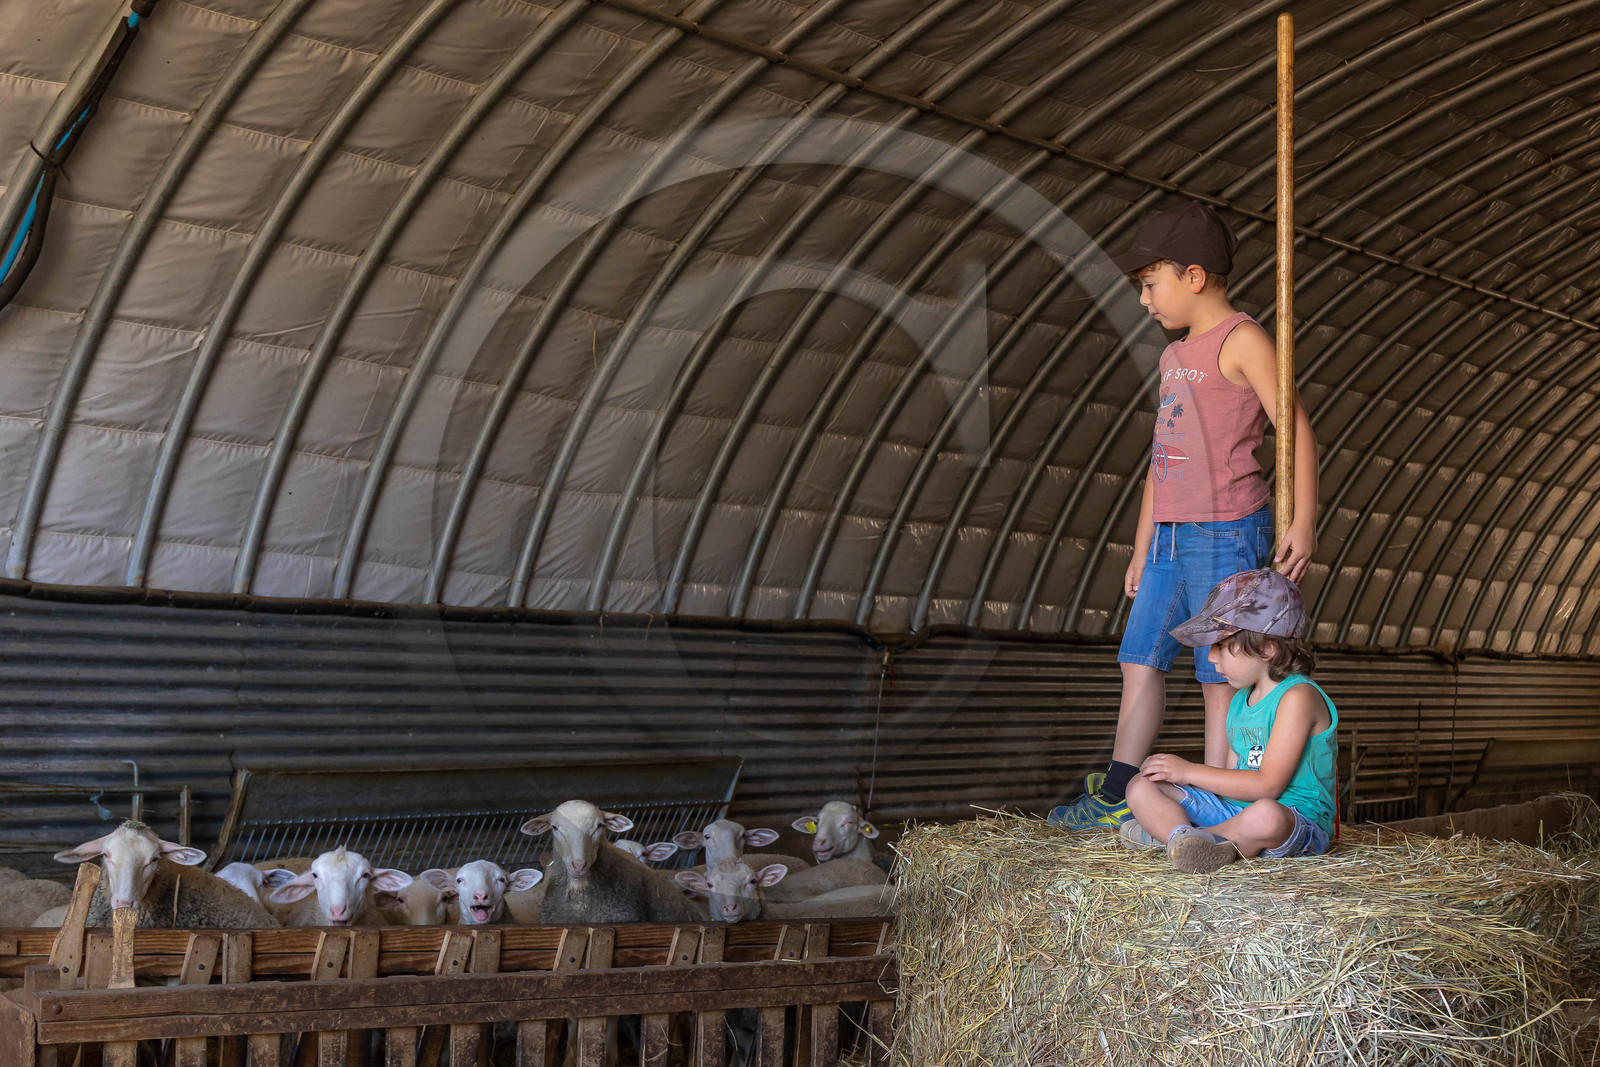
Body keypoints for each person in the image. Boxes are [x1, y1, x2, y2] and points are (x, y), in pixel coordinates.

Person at [1049, 199, 1320, 831]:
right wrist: (1142, 545)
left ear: (1193, 276)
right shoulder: (1171, 358)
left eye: (1151, 284)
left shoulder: (1242, 340)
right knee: (1138, 657)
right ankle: (1116, 790)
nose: (1144, 300)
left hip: (1226, 529)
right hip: (1168, 538)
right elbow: (1161, 459)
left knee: (1216, 670)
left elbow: (1296, 430)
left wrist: (1303, 518)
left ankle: (1218, 802)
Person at [1121, 568, 1337, 874]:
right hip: (1236, 813)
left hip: (1295, 822)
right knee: (1140, 785)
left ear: (1266, 648)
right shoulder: (1239, 700)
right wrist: (1182, 784)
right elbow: (1230, 781)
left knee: (1266, 815)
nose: (1211, 657)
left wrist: (1188, 771)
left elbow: (1268, 786)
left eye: (1221, 646)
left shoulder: (1298, 697)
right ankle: (1186, 839)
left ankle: (1179, 840)